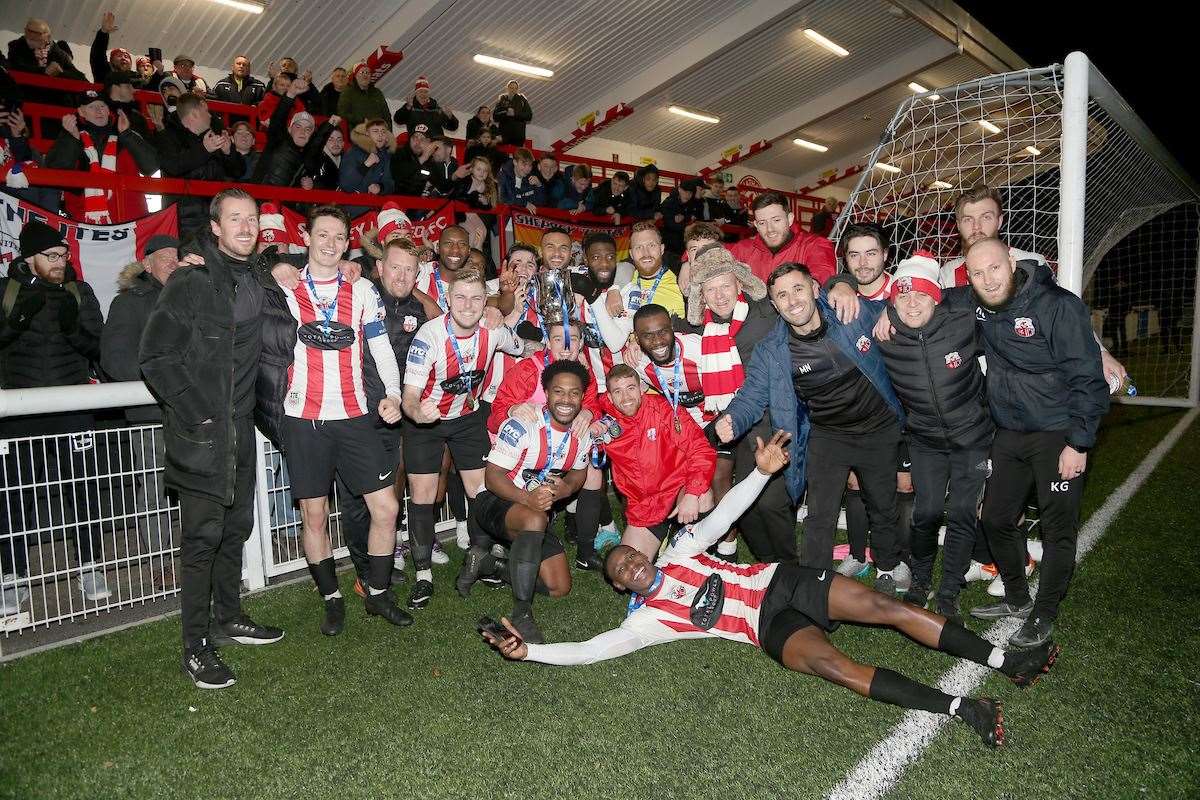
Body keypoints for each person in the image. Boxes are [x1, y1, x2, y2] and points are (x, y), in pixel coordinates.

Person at [482, 431, 1061, 750]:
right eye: (621, 570)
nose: (631, 563)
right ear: (621, 588)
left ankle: (1007, 660)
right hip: (765, 628)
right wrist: (529, 651)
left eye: (630, 553)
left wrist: (758, 472)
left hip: (780, 580)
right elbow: (589, 650)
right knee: (839, 669)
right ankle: (964, 707)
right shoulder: (645, 621)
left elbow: (720, 515)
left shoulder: (680, 549)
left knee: (885, 607)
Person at [140, 189, 286, 690]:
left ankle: (228, 617)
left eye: (253, 219)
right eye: (236, 219)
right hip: (204, 432)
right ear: (216, 227)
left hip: (243, 429)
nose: (246, 227)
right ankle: (195, 646)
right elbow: (156, 356)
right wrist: (199, 414)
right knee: (201, 540)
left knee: (235, 528)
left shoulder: (259, 276)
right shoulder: (192, 279)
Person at [255, 206, 413, 634]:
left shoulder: (360, 289)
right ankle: (331, 597)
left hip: (354, 414)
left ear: (348, 244)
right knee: (315, 517)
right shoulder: (284, 286)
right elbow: (246, 264)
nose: (329, 244)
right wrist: (275, 263)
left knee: (386, 507)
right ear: (306, 236)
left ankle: (377, 593)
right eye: (322, 235)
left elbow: (380, 349)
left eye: (339, 237)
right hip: (302, 418)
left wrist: (395, 394)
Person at [716, 263, 907, 592]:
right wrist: (732, 419)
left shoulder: (851, 313)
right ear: (774, 306)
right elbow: (750, 398)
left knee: (883, 503)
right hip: (827, 434)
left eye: (798, 289)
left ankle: (888, 566)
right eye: (782, 296)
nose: (792, 300)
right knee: (819, 515)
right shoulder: (772, 350)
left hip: (879, 428)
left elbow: (901, 308)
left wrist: (889, 310)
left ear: (816, 289)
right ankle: (814, 589)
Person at [960, 238, 1110, 648]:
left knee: (1058, 528)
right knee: (994, 518)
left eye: (994, 268)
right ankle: (1017, 597)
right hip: (1009, 432)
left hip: (1057, 433)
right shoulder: (980, 307)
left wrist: (1078, 443)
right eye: (977, 273)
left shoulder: (1057, 305)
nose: (988, 280)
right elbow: (929, 301)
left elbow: (1087, 378)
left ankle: (1044, 613)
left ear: (1011, 261)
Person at [872, 253, 994, 622]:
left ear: (936, 297)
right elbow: (839, 301)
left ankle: (949, 591)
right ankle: (921, 581)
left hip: (972, 436)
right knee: (924, 514)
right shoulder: (885, 332)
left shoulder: (962, 321)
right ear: (892, 301)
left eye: (921, 294)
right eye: (903, 295)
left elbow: (992, 290)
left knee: (961, 513)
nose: (911, 302)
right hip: (924, 439)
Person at [0, 221, 108, 615]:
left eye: (63, 254)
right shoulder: (6, 291)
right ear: (30, 258)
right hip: (19, 412)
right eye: (52, 256)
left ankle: (90, 565)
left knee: (83, 490)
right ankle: (13, 575)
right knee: (14, 498)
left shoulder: (80, 293)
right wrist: (15, 323)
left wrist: (73, 331)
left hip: (71, 407)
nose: (61, 261)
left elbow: (100, 345)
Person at [401, 271, 524, 609]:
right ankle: (423, 575)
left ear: (486, 302)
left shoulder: (493, 330)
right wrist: (416, 412)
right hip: (428, 421)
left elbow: (521, 347)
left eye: (475, 298)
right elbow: (409, 395)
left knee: (482, 491)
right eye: (460, 298)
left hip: (468, 417)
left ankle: (480, 556)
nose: (468, 305)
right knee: (424, 495)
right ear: (448, 300)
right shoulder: (430, 336)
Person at [673, 245, 795, 563]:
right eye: (710, 289)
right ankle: (767, 562)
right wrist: (633, 340)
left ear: (739, 284)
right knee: (743, 503)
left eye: (725, 285)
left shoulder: (766, 313)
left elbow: (804, 299)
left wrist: (842, 286)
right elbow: (663, 327)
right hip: (730, 421)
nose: (720, 295)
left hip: (770, 416)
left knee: (768, 500)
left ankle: (788, 565)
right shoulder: (701, 327)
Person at [938, 185, 1126, 387]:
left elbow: (1065, 315)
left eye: (986, 217)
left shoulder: (1030, 263)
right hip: (971, 387)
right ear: (958, 225)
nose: (976, 227)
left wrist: (1101, 353)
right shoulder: (947, 274)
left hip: (1027, 384)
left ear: (1000, 220)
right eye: (968, 219)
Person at [459, 361, 594, 642]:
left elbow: (580, 472)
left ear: (583, 397)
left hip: (534, 511)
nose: (566, 400)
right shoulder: (522, 425)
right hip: (494, 502)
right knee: (535, 518)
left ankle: (489, 565)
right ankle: (522, 612)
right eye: (558, 391)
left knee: (559, 587)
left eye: (574, 393)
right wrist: (527, 498)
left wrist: (565, 488)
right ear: (546, 393)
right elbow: (493, 476)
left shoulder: (582, 434)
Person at [826, 223, 913, 586]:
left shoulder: (905, 291)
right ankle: (860, 555)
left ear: (887, 256)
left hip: (905, 410)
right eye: (854, 255)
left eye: (871, 253)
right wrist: (840, 283)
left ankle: (900, 560)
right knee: (857, 484)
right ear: (845, 260)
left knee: (902, 486)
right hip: (858, 415)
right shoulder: (840, 297)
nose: (863, 263)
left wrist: (893, 311)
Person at [101, 235, 183, 590]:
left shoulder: (185, 298)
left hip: (188, 411)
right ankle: (159, 558)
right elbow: (114, 360)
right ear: (146, 264)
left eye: (177, 257)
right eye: (164, 257)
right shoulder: (129, 303)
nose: (173, 262)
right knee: (155, 488)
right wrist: (164, 377)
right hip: (151, 413)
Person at [595, 364, 715, 560]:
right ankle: (669, 536)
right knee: (623, 577)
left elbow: (700, 448)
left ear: (642, 389)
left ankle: (702, 559)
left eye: (631, 388)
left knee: (702, 497)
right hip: (645, 505)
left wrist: (692, 493)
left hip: (678, 488)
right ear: (609, 397)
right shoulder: (605, 424)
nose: (625, 398)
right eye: (618, 391)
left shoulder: (663, 409)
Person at [46, 90, 159, 225]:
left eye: (102, 106)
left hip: (131, 223)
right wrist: (72, 138)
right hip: (86, 225)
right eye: (91, 107)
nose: (98, 111)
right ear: (81, 112)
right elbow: (56, 172)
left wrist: (127, 134)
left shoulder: (126, 134)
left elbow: (151, 167)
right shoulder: (72, 136)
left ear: (108, 110)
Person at [154, 94, 243, 237]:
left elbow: (238, 172)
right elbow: (172, 166)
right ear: (195, 113)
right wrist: (204, 150)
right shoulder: (168, 135)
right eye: (206, 112)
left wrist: (228, 152)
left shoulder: (212, 135)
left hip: (216, 215)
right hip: (184, 219)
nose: (210, 116)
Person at [728, 192, 836, 285]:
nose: (770, 229)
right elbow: (717, 253)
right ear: (756, 225)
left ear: (789, 219)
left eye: (776, 220)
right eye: (762, 223)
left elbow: (822, 268)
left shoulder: (814, 244)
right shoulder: (743, 249)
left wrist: (814, 283)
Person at [600, 222, 685, 319]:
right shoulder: (622, 280)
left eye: (651, 245)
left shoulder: (680, 278)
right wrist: (613, 289)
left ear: (661, 249)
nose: (646, 253)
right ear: (631, 254)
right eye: (639, 247)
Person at [339, 118, 394, 216]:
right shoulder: (354, 152)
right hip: (352, 213)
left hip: (375, 212)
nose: (380, 135)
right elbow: (346, 185)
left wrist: (380, 187)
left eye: (383, 131)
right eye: (375, 131)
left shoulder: (386, 157)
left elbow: (389, 183)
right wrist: (366, 165)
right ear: (367, 134)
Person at [394, 75, 458, 139]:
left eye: (426, 92)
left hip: (434, 145)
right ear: (416, 93)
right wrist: (407, 107)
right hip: (416, 145)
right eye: (420, 91)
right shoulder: (409, 108)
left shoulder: (437, 109)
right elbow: (398, 120)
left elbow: (453, 127)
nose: (423, 94)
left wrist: (450, 116)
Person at [337, 62, 391, 132]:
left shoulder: (377, 92)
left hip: (380, 134)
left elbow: (387, 115)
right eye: (362, 72)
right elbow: (342, 113)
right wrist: (361, 120)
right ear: (355, 75)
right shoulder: (348, 92)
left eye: (367, 73)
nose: (365, 75)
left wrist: (389, 132)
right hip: (360, 134)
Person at [658, 178, 704, 255]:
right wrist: (686, 226)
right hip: (669, 242)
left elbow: (697, 218)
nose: (687, 195)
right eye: (685, 191)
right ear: (679, 189)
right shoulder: (669, 202)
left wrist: (685, 217)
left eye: (690, 193)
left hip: (685, 242)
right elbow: (669, 223)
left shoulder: (693, 204)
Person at [88, 11, 131, 86]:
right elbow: (98, 54)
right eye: (119, 55)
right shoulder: (104, 73)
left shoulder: (137, 79)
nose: (123, 57)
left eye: (126, 56)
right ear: (111, 61)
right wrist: (103, 33)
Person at [390, 129, 432, 198]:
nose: (417, 142)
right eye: (414, 137)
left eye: (422, 139)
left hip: (423, 205)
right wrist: (421, 159)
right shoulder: (399, 153)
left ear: (429, 143)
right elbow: (398, 175)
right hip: (398, 202)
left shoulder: (431, 160)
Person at [493, 80, 532, 146]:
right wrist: (506, 114)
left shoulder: (522, 100)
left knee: (517, 155)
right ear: (507, 88)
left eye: (515, 88)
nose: (513, 90)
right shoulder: (502, 99)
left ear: (517, 89)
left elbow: (529, 116)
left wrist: (515, 114)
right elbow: (495, 117)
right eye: (511, 88)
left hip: (518, 136)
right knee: (503, 154)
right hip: (504, 134)